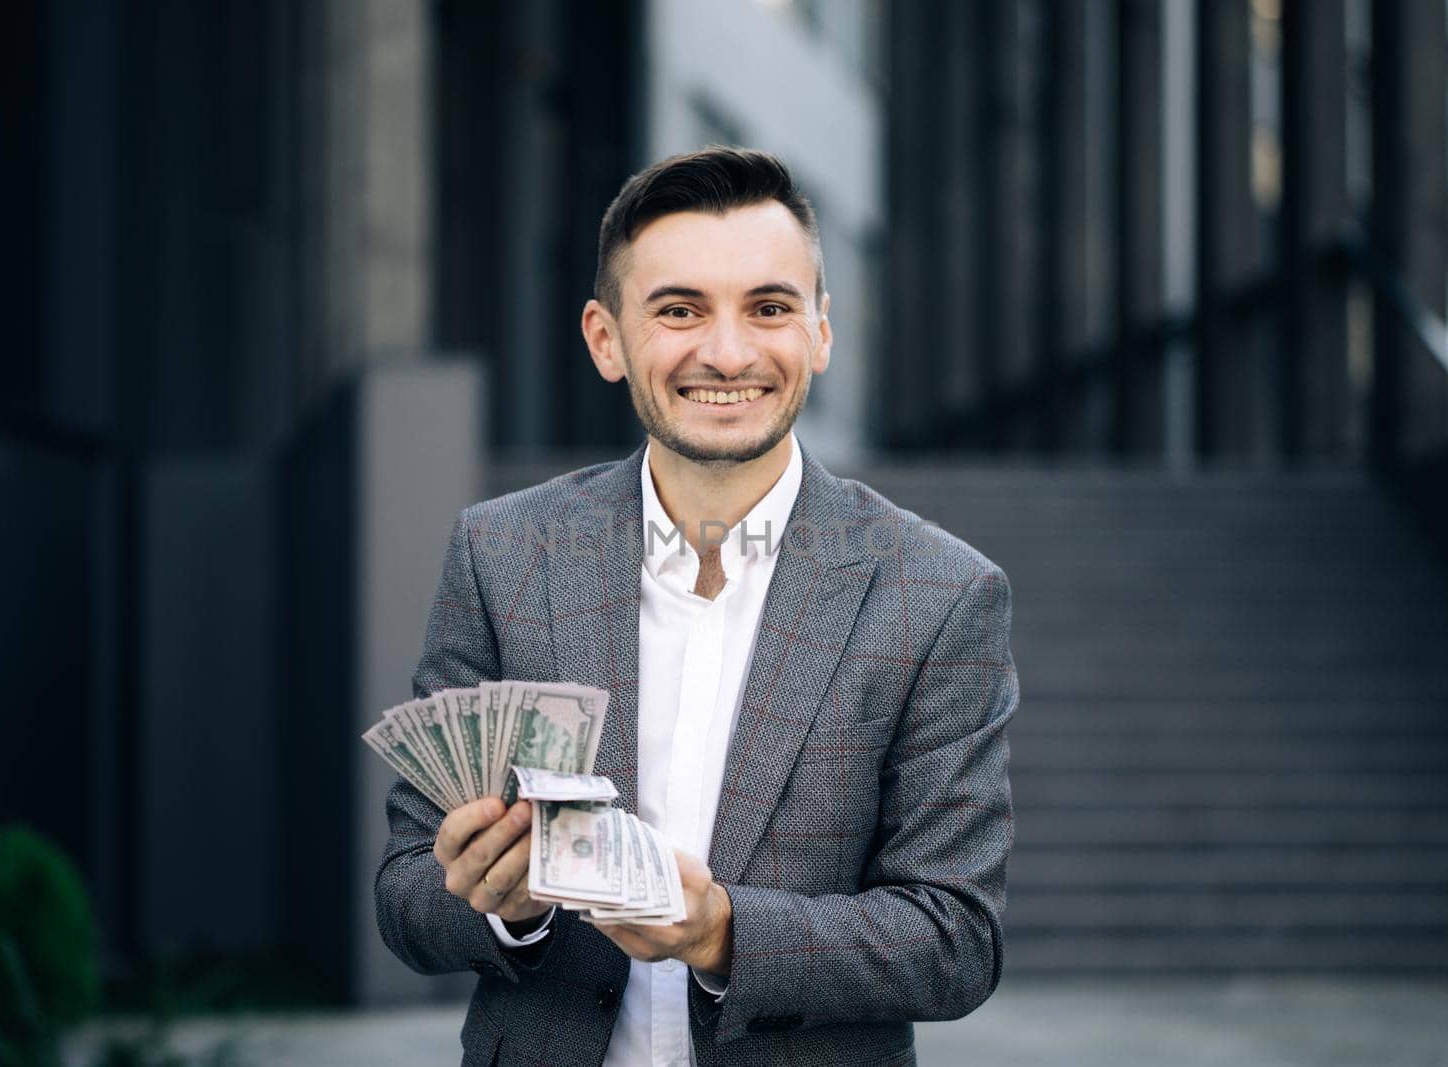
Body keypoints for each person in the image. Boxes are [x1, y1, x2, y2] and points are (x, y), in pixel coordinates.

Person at [375, 146, 1019, 1067]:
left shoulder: (943, 593)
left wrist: (721, 932)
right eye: (679, 310)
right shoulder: (502, 554)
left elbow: (956, 939)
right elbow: (405, 893)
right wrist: (498, 910)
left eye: (769, 308)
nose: (728, 351)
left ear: (821, 334)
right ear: (606, 339)